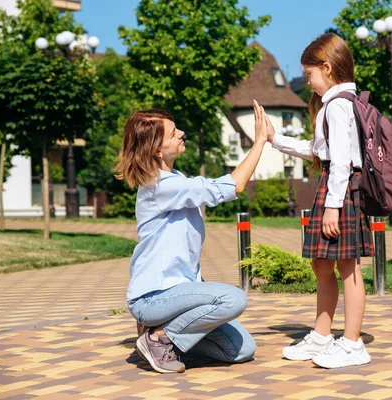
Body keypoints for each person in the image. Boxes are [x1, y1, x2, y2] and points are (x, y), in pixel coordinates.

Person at [115, 101, 269, 373]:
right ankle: (158, 338)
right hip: (153, 297)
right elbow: (234, 185)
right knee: (233, 299)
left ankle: (163, 338)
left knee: (242, 349)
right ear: (156, 149)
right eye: (174, 132)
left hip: (178, 295)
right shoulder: (161, 186)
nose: (182, 133)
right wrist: (259, 142)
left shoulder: (175, 178)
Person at [269, 33, 374, 368]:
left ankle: (353, 344)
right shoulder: (335, 105)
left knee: (348, 267)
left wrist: (333, 206)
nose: (307, 81)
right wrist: (275, 139)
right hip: (333, 184)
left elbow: (341, 161)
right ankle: (322, 335)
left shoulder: (339, 105)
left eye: (309, 74)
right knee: (321, 265)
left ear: (327, 68)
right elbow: (319, 151)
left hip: (339, 188)